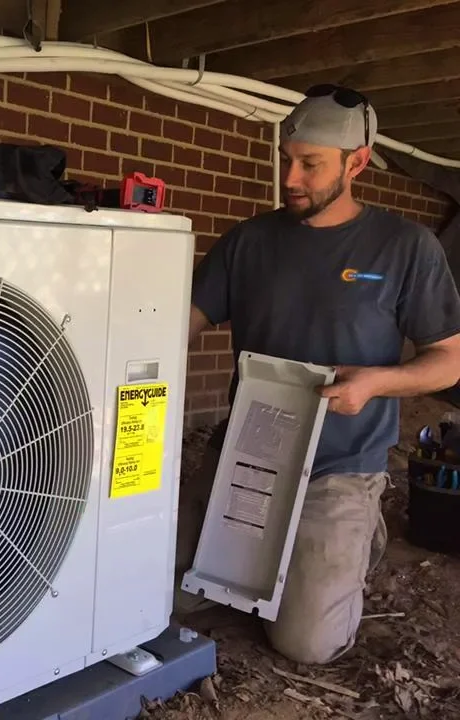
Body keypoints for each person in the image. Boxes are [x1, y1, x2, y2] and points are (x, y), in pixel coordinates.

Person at [177, 85, 460, 665]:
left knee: (306, 644)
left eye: (310, 164)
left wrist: (374, 383)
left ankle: (356, 534)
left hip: (339, 468)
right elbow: (181, 325)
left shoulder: (406, 247)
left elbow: (449, 359)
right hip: (246, 456)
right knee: (165, 594)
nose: (290, 179)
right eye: (286, 159)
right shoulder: (249, 241)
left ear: (357, 163)